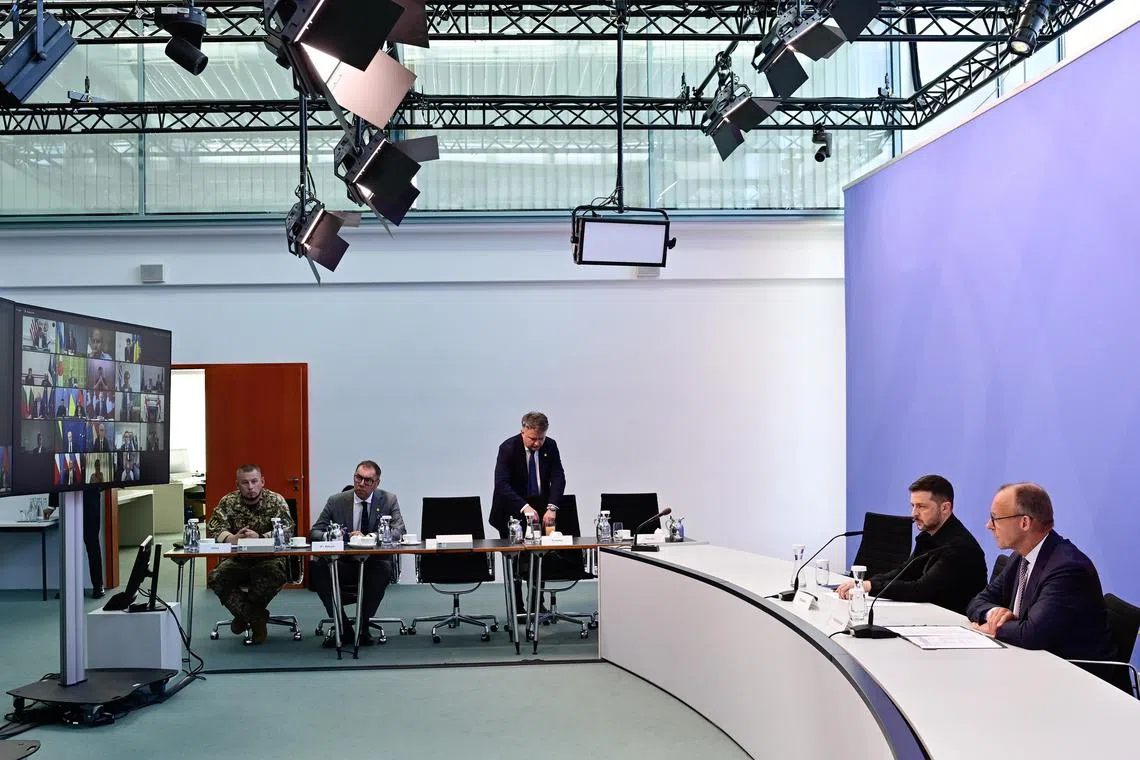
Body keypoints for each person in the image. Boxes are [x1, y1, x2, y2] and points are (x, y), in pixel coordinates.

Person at [966, 483, 1115, 660]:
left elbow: (1032, 633)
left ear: (1024, 522)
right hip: (1031, 662)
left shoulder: (1068, 568)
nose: (989, 525)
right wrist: (994, 614)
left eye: (995, 518)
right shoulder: (1019, 557)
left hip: (1075, 674)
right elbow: (977, 602)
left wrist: (994, 627)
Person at [837, 474, 987, 615]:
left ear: (945, 508)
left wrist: (870, 587)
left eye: (922, 507)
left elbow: (921, 589)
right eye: (913, 505)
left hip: (953, 626)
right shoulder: (928, 536)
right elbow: (904, 571)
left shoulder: (959, 547)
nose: (914, 513)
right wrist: (866, 583)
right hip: (928, 614)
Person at [310, 461, 405, 648]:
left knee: (383, 569)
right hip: (342, 563)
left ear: (377, 483)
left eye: (367, 480)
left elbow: (399, 531)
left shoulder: (388, 499)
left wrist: (370, 537)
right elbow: (315, 532)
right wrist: (338, 536)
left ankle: (363, 627)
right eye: (358, 478)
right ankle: (344, 628)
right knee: (318, 569)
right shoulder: (336, 501)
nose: (361, 483)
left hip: (373, 562)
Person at [205, 465, 294, 645]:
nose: (251, 487)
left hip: (269, 559)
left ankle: (244, 615)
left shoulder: (276, 501)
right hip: (239, 559)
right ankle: (256, 617)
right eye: (245, 483)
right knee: (216, 577)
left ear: (262, 482)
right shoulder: (228, 502)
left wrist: (260, 537)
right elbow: (214, 526)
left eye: (254, 482)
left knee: (273, 574)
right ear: (237, 484)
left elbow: (288, 530)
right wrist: (232, 538)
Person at [490, 411, 566, 615]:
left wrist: (552, 507)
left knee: (540, 558)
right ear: (523, 431)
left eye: (541, 438)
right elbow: (502, 484)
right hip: (512, 510)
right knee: (515, 562)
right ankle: (517, 609)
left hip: (542, 511)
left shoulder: (551, 445)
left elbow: (558, 477)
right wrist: (524, 507)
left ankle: (536, 605)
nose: (537, 443)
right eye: (533, 438)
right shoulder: (508, 448)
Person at [46, 488, 105, 598]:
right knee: (69, 548)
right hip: (68, 504)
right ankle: (71, 587)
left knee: (93, 546)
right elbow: (56, 479)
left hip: (90, 504)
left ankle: (98, 586)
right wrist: (51, 506)